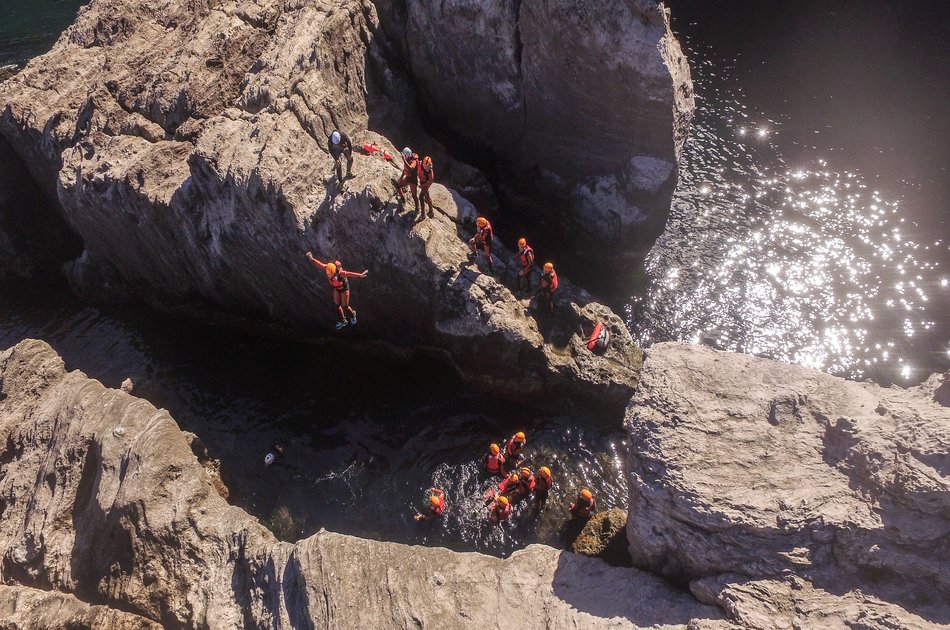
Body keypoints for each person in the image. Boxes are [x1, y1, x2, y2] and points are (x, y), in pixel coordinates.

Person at [306, 252, 369, 330]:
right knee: (337, 305)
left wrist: (360, 275)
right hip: (337, 288)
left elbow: (349, 274)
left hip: (344, 289)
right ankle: (343, 321)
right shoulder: (328, 268)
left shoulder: (340, 273)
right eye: (328, 274)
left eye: (330, 274)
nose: (329, 276)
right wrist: (312, 259)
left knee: (345, 306)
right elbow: (320, 265)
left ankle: (353, 314)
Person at [393, 147, 420, 212]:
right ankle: (402, 199)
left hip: (413, 180)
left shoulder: (414, 161)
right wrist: (402, 177)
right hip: (408, 178)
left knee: (414, 196)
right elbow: (405, 169)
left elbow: (410, 168)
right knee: (397, 185)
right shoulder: (407, 159)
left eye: (405, 156)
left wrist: (404, 159)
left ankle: (417, 208)